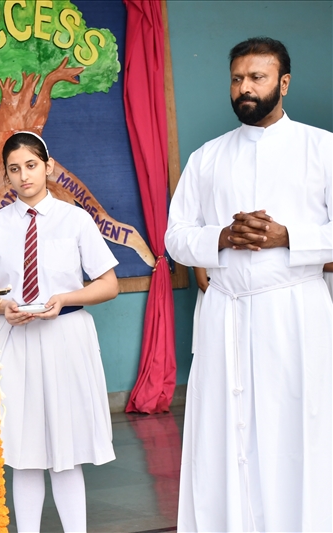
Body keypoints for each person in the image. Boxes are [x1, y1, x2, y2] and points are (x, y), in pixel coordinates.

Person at [165, 37, 332, 532]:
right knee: (223, 433)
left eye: (257, 77)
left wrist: (287, 236)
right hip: (226, 315)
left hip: (295, 313)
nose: (245, 88)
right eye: (237, 79)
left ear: (284, 83)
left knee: (296, 431)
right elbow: (176, 237)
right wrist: (222, 236)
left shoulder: (322, 148)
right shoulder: (207, 157)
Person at [0, 132, 119, 532]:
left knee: (66, 451)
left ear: (47, 166)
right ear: (6, 176)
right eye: (14, 169)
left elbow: (109, 284)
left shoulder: (75, 219)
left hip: (66, 337)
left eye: (31, 165)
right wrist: (1, 306)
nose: (24, 176)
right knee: (23, 451)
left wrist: (66, 298)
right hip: (16, 340)